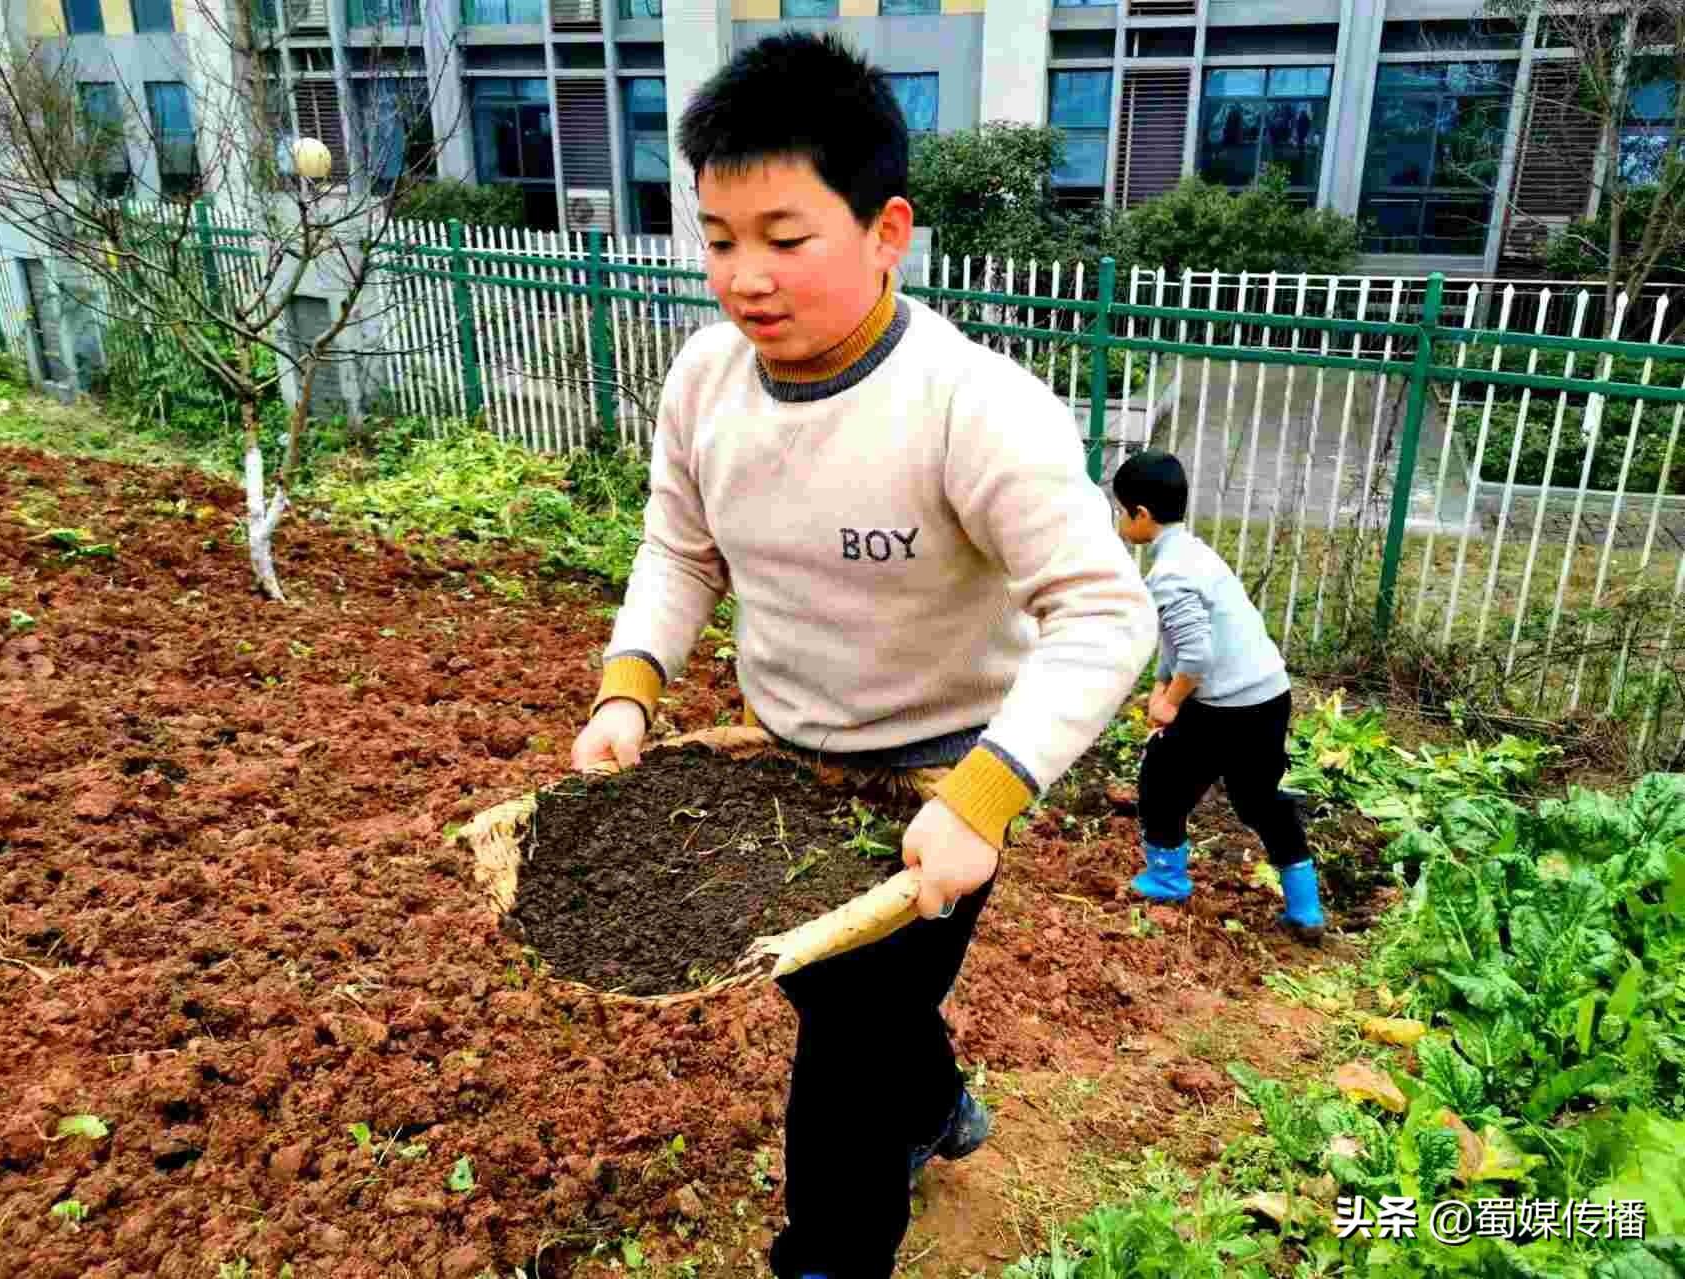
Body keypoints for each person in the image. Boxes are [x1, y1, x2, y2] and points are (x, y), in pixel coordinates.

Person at [568, 31, 1158, 1279]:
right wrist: (631, 687)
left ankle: (831, 1255)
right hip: (781, 770)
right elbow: (679, 552)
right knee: (846, 1004)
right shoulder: (704, 381)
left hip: (938, 784)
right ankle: (937, 1104)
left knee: (838, 1047)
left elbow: (1105, 612)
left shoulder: (970, 404)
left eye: (785, 238)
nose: (744, 277)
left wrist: (983, 800)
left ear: (887, 230)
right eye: (718, 238)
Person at [1110, 449, 1325, 942]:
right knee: (1258, 800)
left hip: (1225, 705)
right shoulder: (1198, 555)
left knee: (1161, 781)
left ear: (1141, 515)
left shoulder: (1168, 575)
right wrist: (1163, 686)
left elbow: (1198, 656)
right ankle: (1306, 907)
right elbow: (1182, 641)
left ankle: (1166, 879)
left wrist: (1169, 701)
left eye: (1122, 511)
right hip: (1269, 695)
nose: (1121, 521)